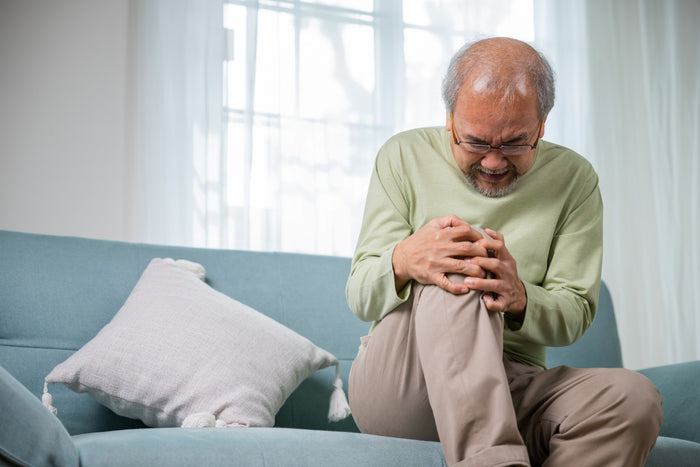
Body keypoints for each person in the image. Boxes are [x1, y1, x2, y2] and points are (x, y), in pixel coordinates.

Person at [345, 37, 663, 467]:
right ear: (450, 120)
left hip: (509, 385)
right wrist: (405, 260)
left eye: (514, 143)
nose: (494, 162)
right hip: (405, 382)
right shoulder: (403, 156)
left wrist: (520, 297)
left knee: (632, 399)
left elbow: (575, 313)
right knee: (462, 263)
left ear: (542, 126)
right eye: (475, 142)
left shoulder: (575, 180)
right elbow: (360, 293)